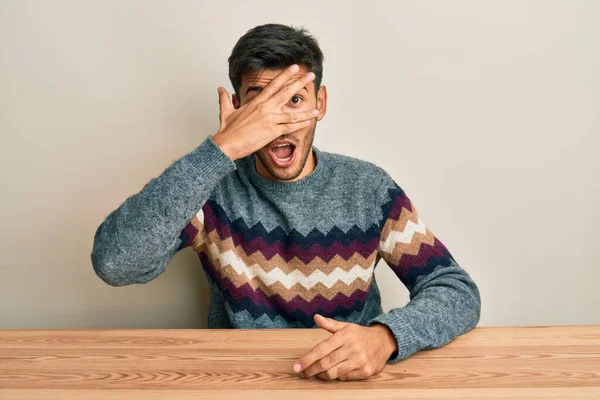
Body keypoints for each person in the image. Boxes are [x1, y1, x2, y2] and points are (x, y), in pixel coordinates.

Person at [91, 23, 481, 381]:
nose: (278, 121)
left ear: (320, 104)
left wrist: (385, 338)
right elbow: (116, 263)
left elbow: (455, 289)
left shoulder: (368, 189)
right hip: (239, 383)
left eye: (294, 99)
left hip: (347, 385)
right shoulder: (211, 189)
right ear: (239, 111)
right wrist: (221, 148)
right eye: (260, 104)